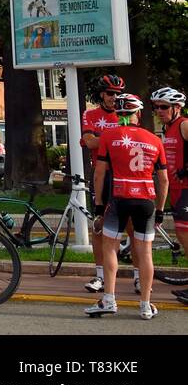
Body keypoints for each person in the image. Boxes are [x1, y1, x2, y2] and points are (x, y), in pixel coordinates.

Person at [85, 93, 169, 320]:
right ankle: (145, 305)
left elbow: (100, 173)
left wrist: (99, 205)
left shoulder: (109, 136)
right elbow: (163, 180)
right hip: (145, 201)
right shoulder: (154, 139)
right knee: (145, 253)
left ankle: (109, 300)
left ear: (117, 114)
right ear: (138, 113)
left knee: (109, 247)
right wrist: (160, 209)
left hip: (119, 198)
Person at [81, 74, 127, 293]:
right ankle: (100, 276)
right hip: (101, 174)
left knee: (131, 226)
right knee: (99, 226)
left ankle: (138, 276)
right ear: (101, 94)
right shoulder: (90, 115)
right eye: (110, 93)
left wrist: (105, 138)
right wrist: (117, 136)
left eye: (118, 94)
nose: (114, 98)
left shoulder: (127, 113)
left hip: (125, 174)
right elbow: (89, 141)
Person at [149, 87, 188, 305]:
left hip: (186, 189)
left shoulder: (183, 124)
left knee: (185, 236)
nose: (159, 111)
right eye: (156, 107)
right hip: (176, 190)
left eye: (164, 107)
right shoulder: (168, 129)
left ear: (176, 108)